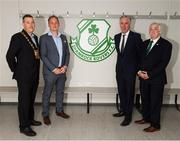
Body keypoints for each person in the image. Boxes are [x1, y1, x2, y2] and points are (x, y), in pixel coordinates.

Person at [6, 14, 42, 136]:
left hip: (34, 75)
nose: (31, 25)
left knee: (31, 99)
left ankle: (30, 119)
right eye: (28, 22)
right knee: (24, 101)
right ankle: (24, 126)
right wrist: (17, 71)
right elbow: (9, 56)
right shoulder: (17, 37)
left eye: (32, 22)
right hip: (24, 77)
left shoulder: (35, 38)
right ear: (23, 24)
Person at [135, 23, 172, 132]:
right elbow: (139, 59)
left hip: (156, 79)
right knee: (145, 99)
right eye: (150, 29)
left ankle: (155, 125)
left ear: (160, 31)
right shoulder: (144, 43)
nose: (152, 31)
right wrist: (139, 72)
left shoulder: (166, 45)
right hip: (143, 77)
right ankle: (146, 118)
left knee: (155, 102)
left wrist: (149, 74)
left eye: (155, 29)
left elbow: (163, 63)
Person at [40, 15, 70, 125]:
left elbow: (67, 54)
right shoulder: (44, 38)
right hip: (50, 72)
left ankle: (59, 110)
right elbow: (43, 56)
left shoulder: (63, 37)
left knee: (60, 92)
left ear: (59, 24)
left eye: (56, 22)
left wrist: (65, 66)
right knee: (47, 93)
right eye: (51, 23)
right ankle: (45, 114)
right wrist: (53, 69)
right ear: (49, 25)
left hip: (62, 71)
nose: (54, 24)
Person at [113, 15, 142, 126]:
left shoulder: (136, 37)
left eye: (126, 23)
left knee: (129, 93)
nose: (124, 25)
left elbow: (140, 55)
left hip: (131, 71)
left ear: (130, 24)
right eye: (122, 23)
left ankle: (128, 116)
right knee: (121, 91)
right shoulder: (116, 37)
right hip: (119, 70)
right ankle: (123, 110)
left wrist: (138, 70)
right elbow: (121, 55)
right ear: (119, 24)